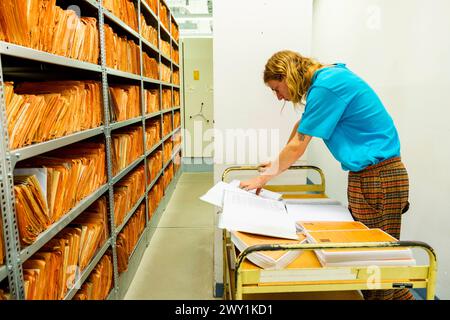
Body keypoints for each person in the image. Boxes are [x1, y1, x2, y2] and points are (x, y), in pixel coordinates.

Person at [239, 50, 413, 300]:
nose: (279, 97)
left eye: (277, 89)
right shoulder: (327, 80)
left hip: (379, 177)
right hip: (369, 175)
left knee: (377, 264)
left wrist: (262, 179)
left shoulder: (327, 86)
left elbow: (298, 145)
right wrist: (275, 163)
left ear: (287, 76)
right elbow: (301, 126)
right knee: (374, 265)